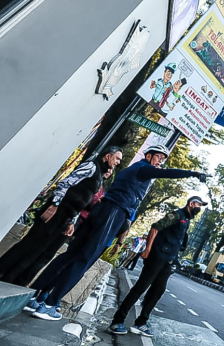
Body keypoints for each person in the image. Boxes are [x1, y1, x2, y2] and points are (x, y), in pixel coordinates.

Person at [29, 144, 207, 321]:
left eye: (163, 159)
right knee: (84, 259)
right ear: (149, 155)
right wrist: (192, 173)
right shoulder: (143, 168)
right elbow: (167, 173)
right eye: (159, 157)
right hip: (113, 213)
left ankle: (37, 296)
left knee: (71, 254)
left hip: (102, 211)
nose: (161, 161)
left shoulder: (131, 171)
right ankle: (50, 304)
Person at [0, 147, 122, 288]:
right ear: (107, 156)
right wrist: (55, 204)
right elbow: (65, 183)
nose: (118, 162)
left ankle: (10, 282)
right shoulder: (91, 166)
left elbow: (81, 202)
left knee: (38, 252)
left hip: (65, 216)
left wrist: (71, 221)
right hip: (57, 210)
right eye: (117, 158)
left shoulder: (99, 175)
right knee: (30, 244)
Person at [109, 196, 208, 337]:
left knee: (158, 290)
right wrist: (148, 249)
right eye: (199, 205)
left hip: (168, 260)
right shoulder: (176, 215)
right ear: (191, 204)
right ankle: (117, 321)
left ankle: (141, 323)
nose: (199, 208)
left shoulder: (186, 220)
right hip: (157, 257)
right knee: (140, 288)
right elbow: (155, 227)